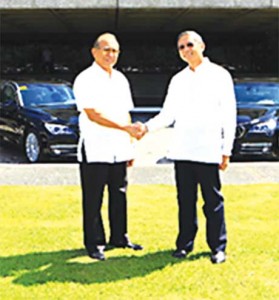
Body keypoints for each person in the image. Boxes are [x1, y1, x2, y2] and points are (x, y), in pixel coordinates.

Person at [134, 30, 236, 264]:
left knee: (213, 201)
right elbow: (168, 114)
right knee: (185, 201)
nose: (186, 50)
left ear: (202, 45)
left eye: (189, 44)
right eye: (181, 47)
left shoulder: (219, 75)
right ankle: (184, 245)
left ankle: (218, 247)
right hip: (183, 149)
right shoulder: (178, 79)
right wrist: (146, 128)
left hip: (209, 149)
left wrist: (226, 150)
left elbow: (229, 115)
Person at [73, 32, 143, 261]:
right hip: (95, 148)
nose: (110, 55)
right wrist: (126, 129)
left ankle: (120, 237)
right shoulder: (85, 78)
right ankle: (94, 243)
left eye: (114, 51)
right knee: (93, 198)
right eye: (106, 50)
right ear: (94, 52)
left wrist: (131, 144)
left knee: (119, 194)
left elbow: (126, 113)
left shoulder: (121, 79)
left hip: (119, 148)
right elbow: (94, 115)